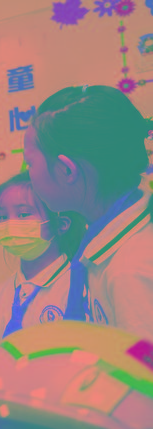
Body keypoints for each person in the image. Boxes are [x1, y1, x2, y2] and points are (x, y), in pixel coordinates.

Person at [25, 85, 153, 340]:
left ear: (66, 170)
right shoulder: (104, 237)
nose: (28, 174)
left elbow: (141, 364)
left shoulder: (129, 271)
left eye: (29, 163)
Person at [0, 172, 85, 354]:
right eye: (2, 217)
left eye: (23, 214)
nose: (10, 224)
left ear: (61, 224)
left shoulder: (81, 284)